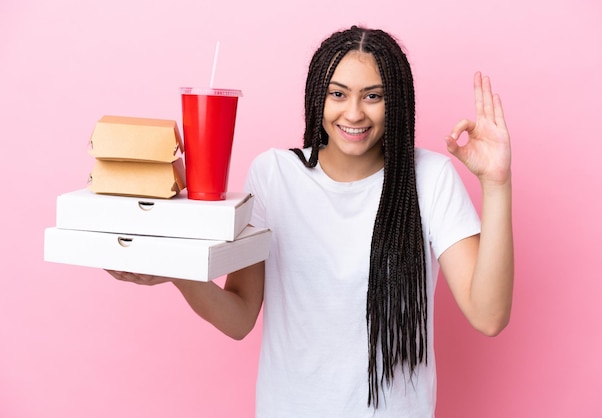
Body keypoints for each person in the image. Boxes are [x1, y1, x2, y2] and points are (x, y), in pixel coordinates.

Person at [108, 25, 513, 418]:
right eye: (338, 94)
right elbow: (239, 318)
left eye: (373, 96)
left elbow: (489, 315)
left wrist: (496, 183)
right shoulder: (274, 174)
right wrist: (182, 273)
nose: (353, 112)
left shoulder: (428, 177)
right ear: (318, 96)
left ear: (397, 103)